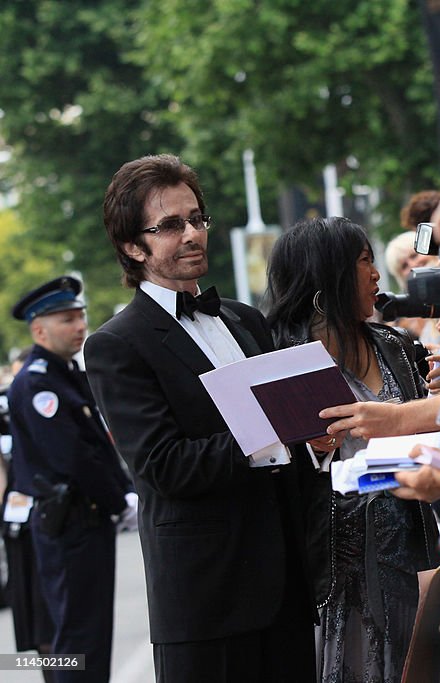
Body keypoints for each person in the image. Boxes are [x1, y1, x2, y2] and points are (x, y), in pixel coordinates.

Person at [84, 155, 315, 683]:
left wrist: (313, 439)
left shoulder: (244, 318)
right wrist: (277, 425)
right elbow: (163, 467)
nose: (191, 234)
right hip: (206, 599)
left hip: (288, 586)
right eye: (169, 225)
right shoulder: (116, 345)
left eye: (196, 219)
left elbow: (287, 453)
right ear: (131, 245)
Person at [263, 216, 440, 683]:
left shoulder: (398, 346)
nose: (377, 274)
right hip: (335, 564)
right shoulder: (281, 361)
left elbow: (436, 429)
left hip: (412, 543)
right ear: (328, 277)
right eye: (364, 261)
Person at [7, 276, 135, 683]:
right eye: (67, 319)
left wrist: (124, 493)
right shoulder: (37, 382)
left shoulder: (64, 374)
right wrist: (120, 500)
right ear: (39, 329)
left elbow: (96, 443)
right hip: (69, 525)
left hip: (85, 521)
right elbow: (72, 457)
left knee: (90, 635)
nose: (79, 326)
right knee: (78, 637)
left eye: (80, 317)